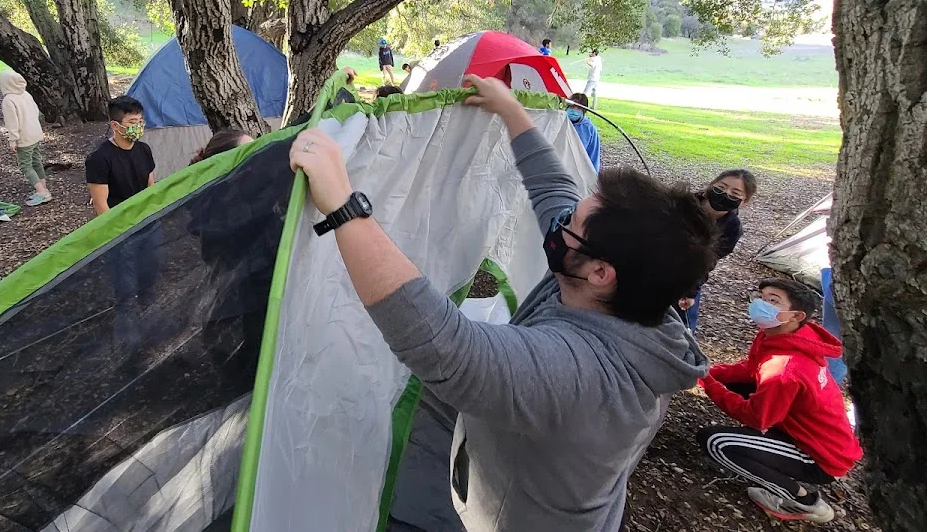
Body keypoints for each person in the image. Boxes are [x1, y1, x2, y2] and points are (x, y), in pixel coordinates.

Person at [288, 74, 718, 530]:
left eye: (571, 224)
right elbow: (554, 192)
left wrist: (344, 207)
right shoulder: (625, 290)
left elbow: (444, 347)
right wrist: (510, 110)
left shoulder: (581, 375)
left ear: (600, 273)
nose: (560, 222)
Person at [697, 277, 862, 524]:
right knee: (738, 386)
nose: (761, 305)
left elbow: (755, 417)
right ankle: (767, 447)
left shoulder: (785, 369)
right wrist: (709, 372)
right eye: (761, 297)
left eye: (773, 301)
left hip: (820, 457)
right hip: (805, 432)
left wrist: (709, 385)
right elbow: (752, 369)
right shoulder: (784, 335)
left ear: (796, 316)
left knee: (716, 442)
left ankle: (802, 500)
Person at [86, 96, 158, 344]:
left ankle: (150, 325)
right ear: (115, 126)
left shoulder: (144, 150)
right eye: (132, 122)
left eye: (140, 121)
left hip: (148, 226)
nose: (138, 127)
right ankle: (127, 339)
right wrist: (118, 235)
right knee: (126, 288)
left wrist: (153, 216)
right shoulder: (99, 159)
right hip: (122, 232)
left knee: (150, 276)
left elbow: (151, 188)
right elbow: (100, 204)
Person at [681, 169, 758, 332]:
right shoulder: (680, 203)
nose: (725, 194)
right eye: (721, 187)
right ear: (711, 185)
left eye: (735, 193)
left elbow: (707, 262)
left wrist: (690, 291)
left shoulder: (732, 228)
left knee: (683, 328)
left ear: (744, 201)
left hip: (687, 275)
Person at [0, 69, 51, 206]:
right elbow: (36, 112)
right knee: (36, 161)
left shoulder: (8, 100)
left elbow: (12, 123)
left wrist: (12, 140)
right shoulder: (26, 94)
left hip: (24, 137)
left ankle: (42, 192)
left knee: (25, 166)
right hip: (35, 133)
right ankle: (43, 188)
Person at [566, 92, 601, 171]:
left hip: (579, 169)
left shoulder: (589, 129)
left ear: (584, 110)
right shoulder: (560, 122)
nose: (574, 110)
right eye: (572, 107)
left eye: (579, 108)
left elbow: (593, 155)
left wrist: (593, 174)